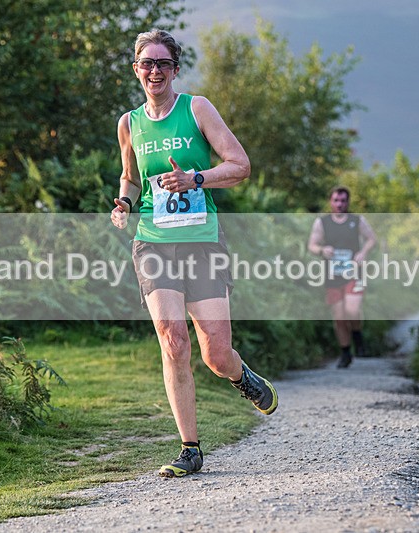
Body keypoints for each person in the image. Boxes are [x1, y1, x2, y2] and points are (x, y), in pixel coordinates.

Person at [110, 29, 278, 478]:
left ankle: (242, 376)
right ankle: (190, 448)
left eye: (163, 63)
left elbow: (240, 166)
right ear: (136, 69)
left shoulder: (196, 109)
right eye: (147, 63)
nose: (155, 71)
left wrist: (195, 179)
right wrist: (124, 202)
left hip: (202, 240)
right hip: (153, 240)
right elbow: (130, 177)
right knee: (172, 340)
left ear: (175, 69)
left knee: (215, 354)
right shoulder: (129, 123)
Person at [307, 186, 377, 368]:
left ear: (348, 202)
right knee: (339, 317)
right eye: (336, 200)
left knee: (352, 310)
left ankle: (357, 335)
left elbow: (371, 239)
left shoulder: (357, 221)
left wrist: (363, 253)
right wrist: (322, 250)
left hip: (354, 273)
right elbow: (312, 245)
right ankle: (346, 352)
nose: (339, 204)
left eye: (343, 201)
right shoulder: (322, 223)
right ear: (330, 201)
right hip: (332, 275)